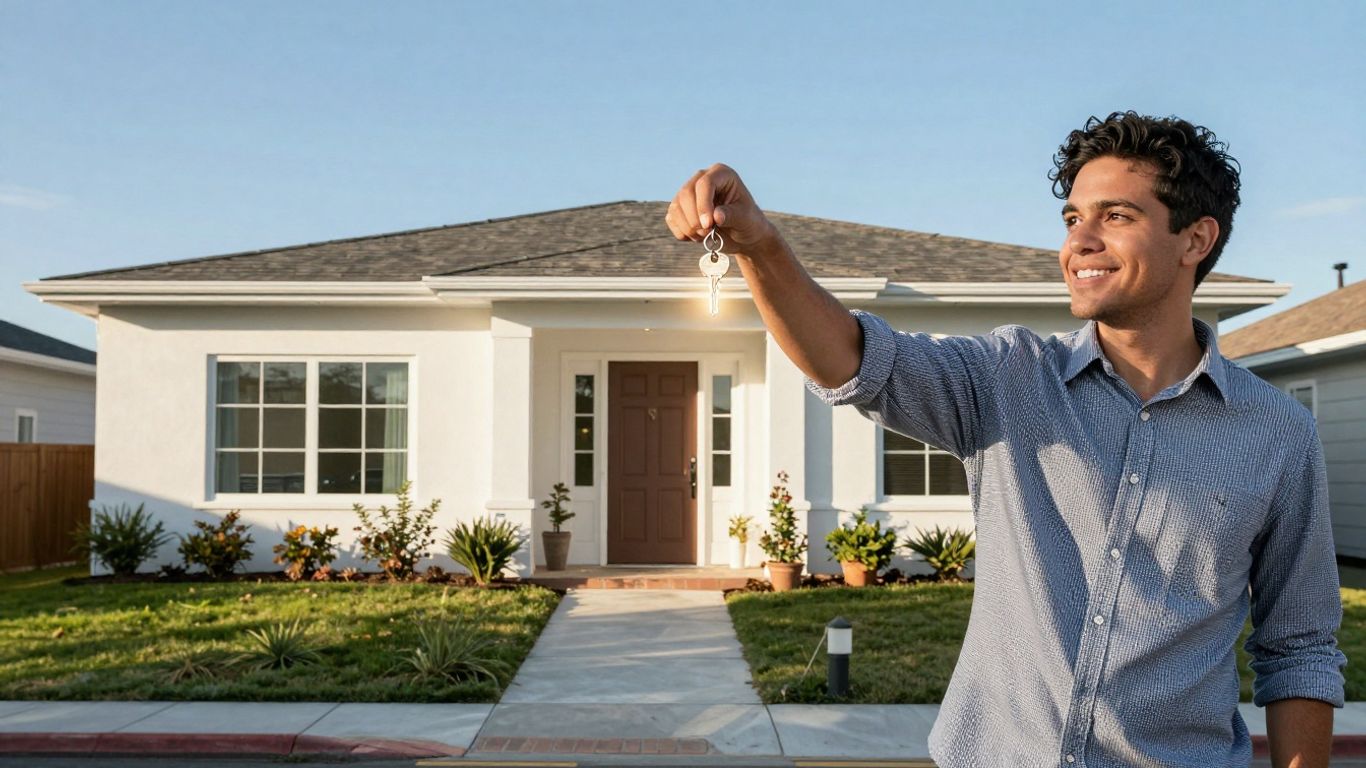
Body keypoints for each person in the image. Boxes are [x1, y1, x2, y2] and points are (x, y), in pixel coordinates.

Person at [665, 111, 1346, 768]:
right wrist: (761, 246)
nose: (1080, 241)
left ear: (1195, 240)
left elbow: (1300, 645)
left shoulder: (1276, 433)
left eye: (1116, 216)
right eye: (1073, 218)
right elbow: (852, 360)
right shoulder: (1008, 377)